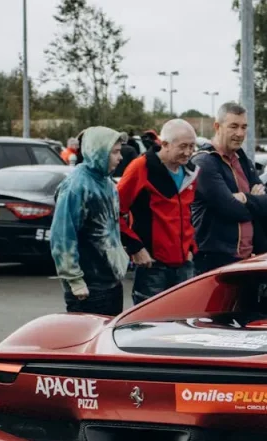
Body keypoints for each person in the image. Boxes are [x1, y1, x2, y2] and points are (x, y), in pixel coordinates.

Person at [117, 118, 199, 306]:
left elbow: (189, 213)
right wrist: (135, 248)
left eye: (192, 147)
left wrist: (191, 247)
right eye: (183, 146)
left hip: (184, 264)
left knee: (183, 325)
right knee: (149, 326)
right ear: (165, 144)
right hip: (153, 265)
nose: (188, 152)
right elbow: (114, 212)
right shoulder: (141, 168)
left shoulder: (191, 172)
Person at [49, 127, 130, 315]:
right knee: (86, 341)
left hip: (111, 282)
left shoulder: (108, 183)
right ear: (98, 151)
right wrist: (74, 280)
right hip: (88, 288)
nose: (120, 158)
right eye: (115, 152)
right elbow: (62, 236)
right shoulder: (77, 186)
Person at [190, 102, 267, 274]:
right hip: (214, 261)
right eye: (234, 127)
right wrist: (253, 200)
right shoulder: (205, 162)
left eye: (244, 127)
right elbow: (231, 209)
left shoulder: (243, 161)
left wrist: (244, 198)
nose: (240, 133)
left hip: (245, 258)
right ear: (217, 127)